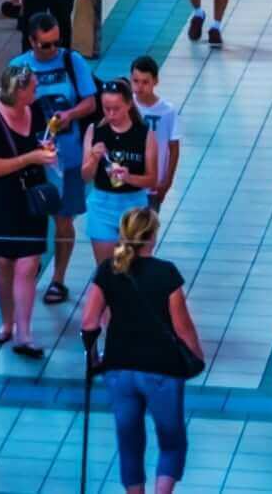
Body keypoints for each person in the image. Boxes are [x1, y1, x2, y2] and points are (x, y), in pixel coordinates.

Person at [77, 207, 207, 494]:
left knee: (129, 443)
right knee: (171, 442)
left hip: (119, 368)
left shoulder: (108, 270)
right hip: (162, 369)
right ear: (152, 236)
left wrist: (94, 357)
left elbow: (88, 322)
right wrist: (197, 355)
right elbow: (182, 326)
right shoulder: (166, 273)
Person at [13, 6, 106, 303]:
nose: (52, 48)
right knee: (31, 217)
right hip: (32, 157)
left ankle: (58, 278)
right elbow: (7, 110)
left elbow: (91, 103)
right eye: (45, 45)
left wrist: (70, 115)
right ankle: (31, 263)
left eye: (56, 42)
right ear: (31, 41)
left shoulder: (71, 60)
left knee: (64, 220)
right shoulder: (18, 67)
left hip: (68, 154)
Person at [0, 65, 62, 359]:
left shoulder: (34, 110)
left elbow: (38, 142)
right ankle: (7, 321)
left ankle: (24, 333)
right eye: (33, 87)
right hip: (0, 200)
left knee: (28, 264)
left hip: (30, 198)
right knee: (2, 263)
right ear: (18, 90)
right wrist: (31, 157)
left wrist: (45, 149)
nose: (37, 90)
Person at [83, 72, 163, 239]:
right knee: (105, 256)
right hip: (102, 205)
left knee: (131, 256)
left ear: (129, 105)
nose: (111, 114)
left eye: (116, 109)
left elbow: (152, 179)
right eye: (106, 109)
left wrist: (129, 178)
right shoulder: (94, 131)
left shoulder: (145, 134)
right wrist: (93, 159)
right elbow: (85, 176)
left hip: (134, 207)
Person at [126, 54, 185, 208]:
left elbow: (174, 149)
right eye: (136, 81)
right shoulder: (125, 106)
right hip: (128, 183)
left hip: (153, 187)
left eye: (145, 82)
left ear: (155, 81)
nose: (139, 87)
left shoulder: (168, 111)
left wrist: (167, 181)